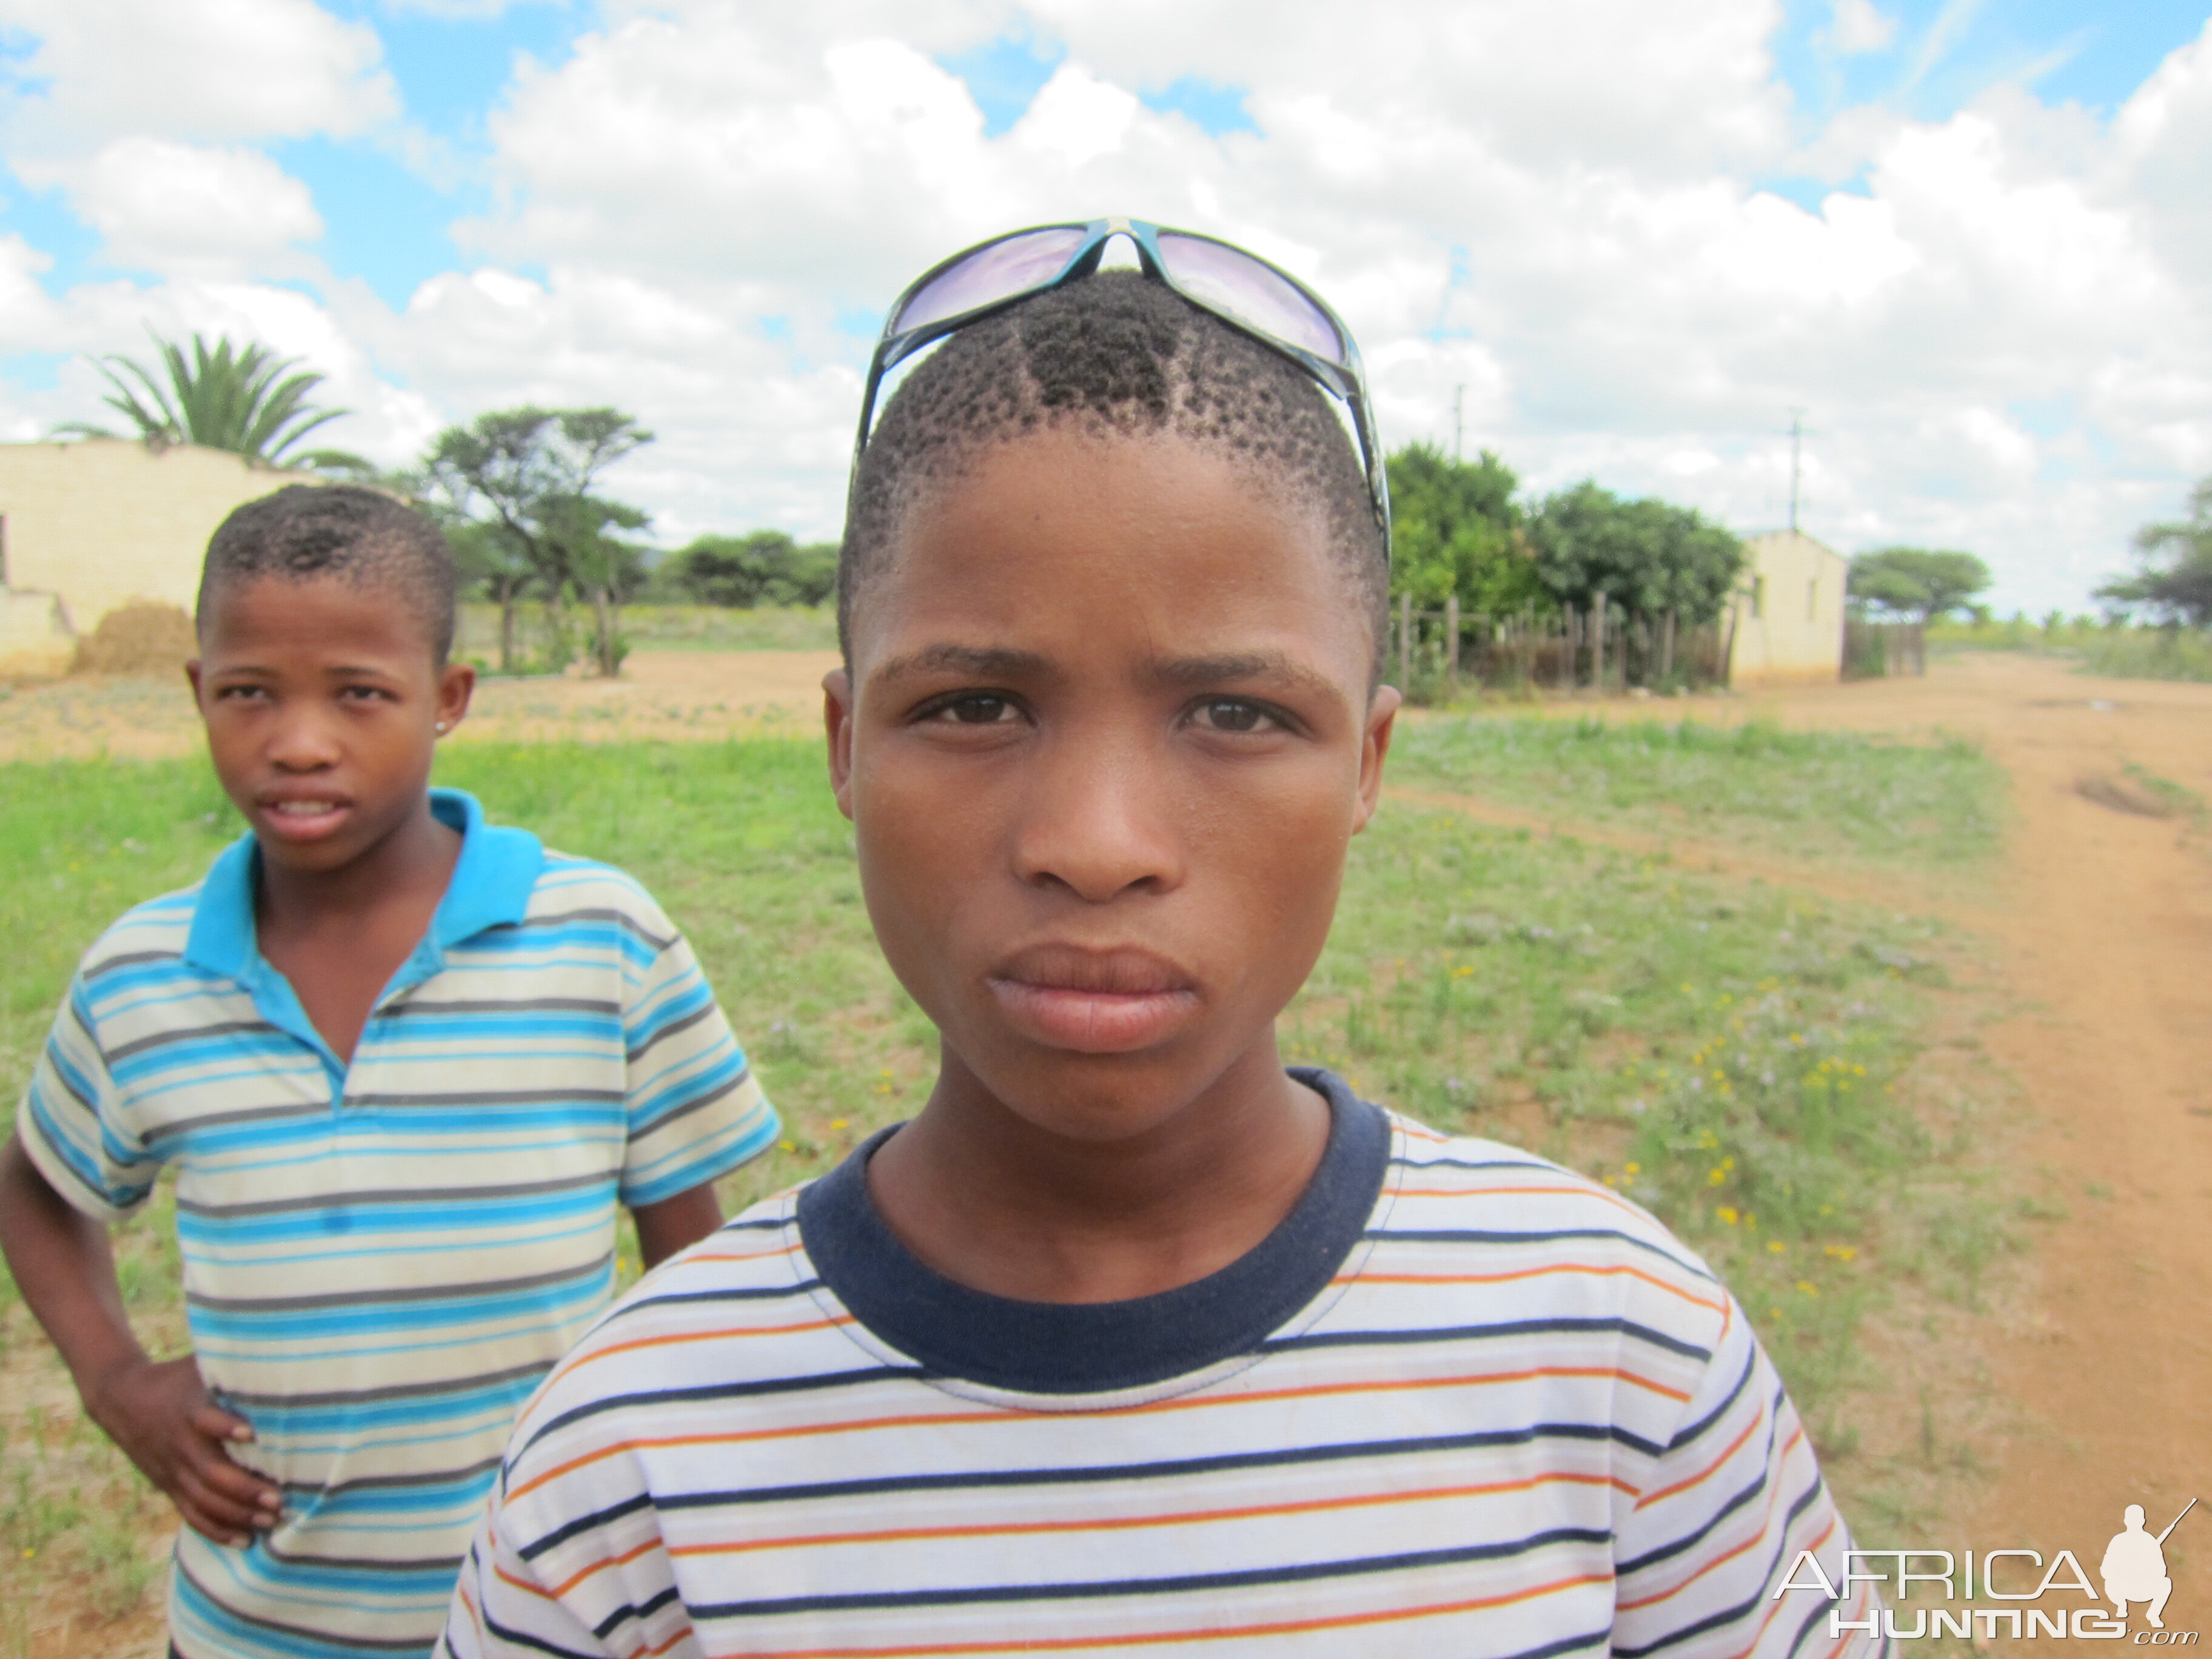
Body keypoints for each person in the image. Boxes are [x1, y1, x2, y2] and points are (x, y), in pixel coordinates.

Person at [438, 220, 1880, 1658]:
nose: (1100, 838)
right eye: (974, 703)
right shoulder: (627, 1455)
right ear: (845, 743)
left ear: (1369, 762)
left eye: (1238, 712)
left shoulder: (1623, 1349)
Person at [0, 485, 780, 1659]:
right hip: (255, 1630)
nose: (299, 740)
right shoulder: (141, 979)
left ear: (448, 699)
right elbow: (35, 1188)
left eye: (359, 694)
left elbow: (694, 1257)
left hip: (548, 1619)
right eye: (248, 691)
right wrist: (113, 1382)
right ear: (197, 693)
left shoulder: (600, 940)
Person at [2102, 1504, 2174, 1628]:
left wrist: (2144, 1568)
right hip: (2123, 1588)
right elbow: (2106, 1570)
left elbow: (2161, 1571)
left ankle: (2153, 1614)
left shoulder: (2149, 1541)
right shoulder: (2119, 1540)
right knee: (2110, 1581)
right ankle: (2121, 1605)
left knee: (2166, 1583)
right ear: (2143, 1521)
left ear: (2126, 1521)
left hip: (2143, 1588)